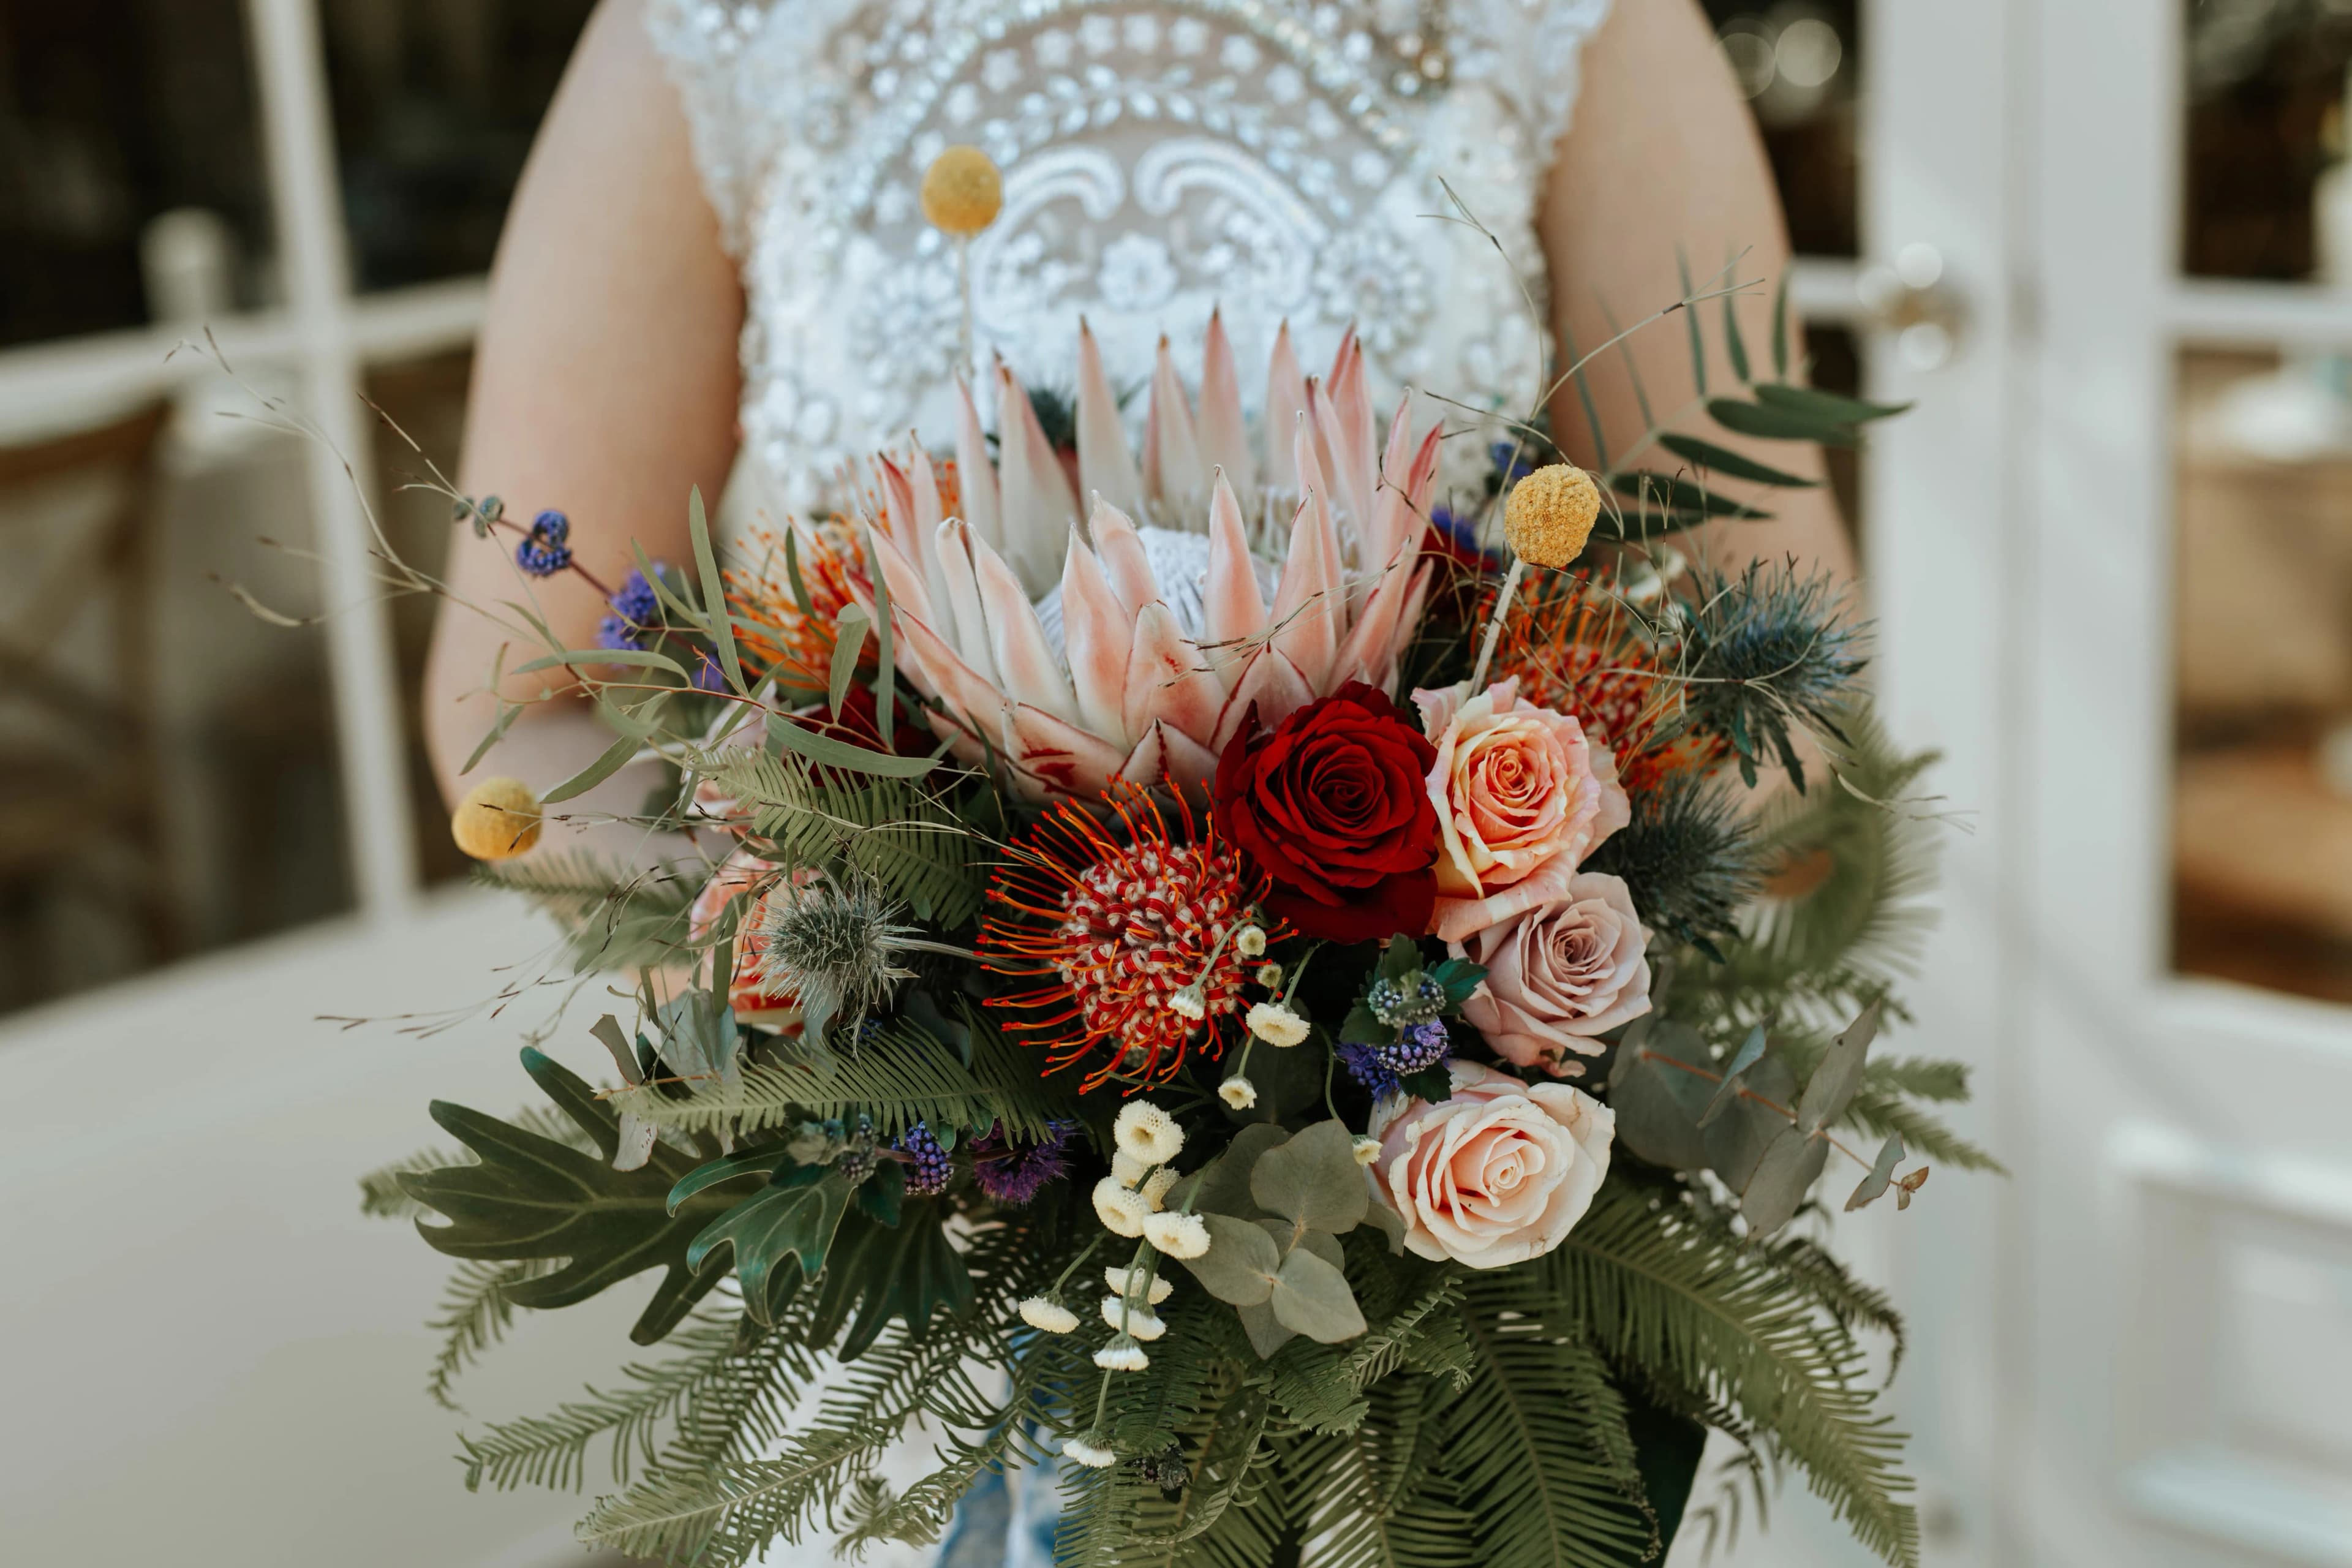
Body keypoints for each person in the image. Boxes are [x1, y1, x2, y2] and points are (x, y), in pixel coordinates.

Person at [422, 0, 1852, 803]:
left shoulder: (1560, 19)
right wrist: (871, 996)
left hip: (1448, 1199)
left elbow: (1787, 635)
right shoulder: (720, 27)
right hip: (908, 1210)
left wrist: (1522, 962)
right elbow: (525, 700)